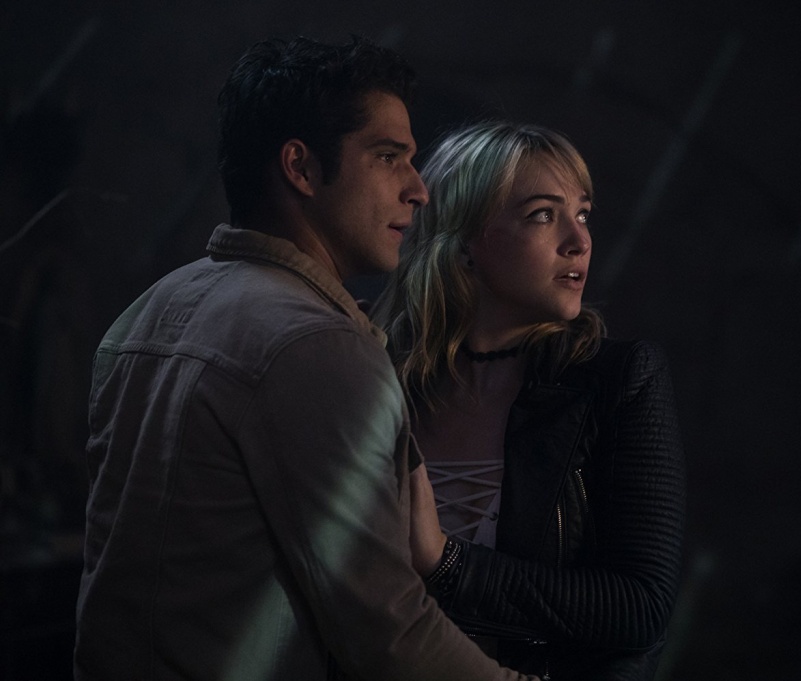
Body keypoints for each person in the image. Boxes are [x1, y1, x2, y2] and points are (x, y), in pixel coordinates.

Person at [73, 37, 538, 681]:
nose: (418, 190)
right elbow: (389, 632)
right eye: (388, 157)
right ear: (300, 167)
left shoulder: (147, 312)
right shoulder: (316, 345)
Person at [373, 121, 687, 680]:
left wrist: (447, 562)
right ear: (464, 243)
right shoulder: (381, 380)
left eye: (582, 214)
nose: (579, 241)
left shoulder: (616, 381)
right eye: (544, 215)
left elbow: (640, 607)